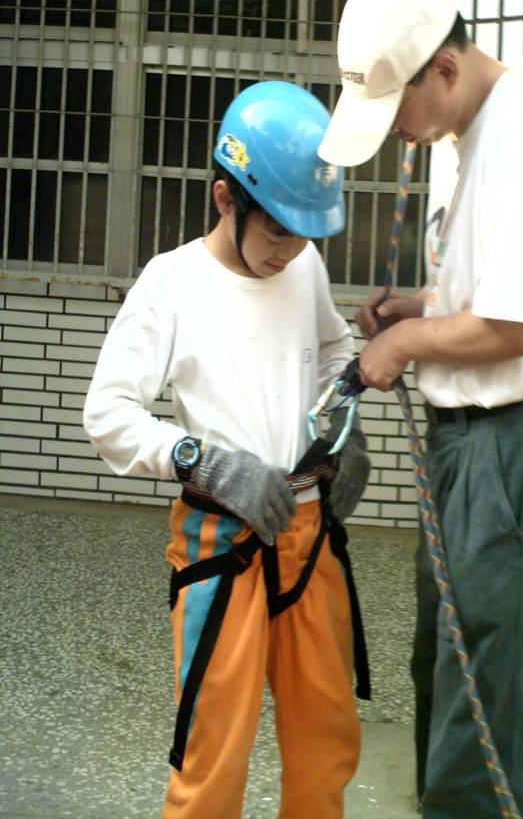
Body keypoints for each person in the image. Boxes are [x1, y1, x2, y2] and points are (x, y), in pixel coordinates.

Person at [318, 0, 523, 819]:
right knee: (446, 666)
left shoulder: (520, 132)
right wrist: (419, 308)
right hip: (470, 446)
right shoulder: (471, 134)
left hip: (508, 447)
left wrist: (403, 342)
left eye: (397, 109)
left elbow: (516, 327)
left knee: (485, 703)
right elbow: (487, 295)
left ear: (443, 67)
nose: (398, 130)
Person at [83, 80, 371, 819]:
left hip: (308, 535)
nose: (291, 250)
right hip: (222, 541)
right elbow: (107, 413)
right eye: (276, 231)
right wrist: (201, 462)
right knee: (214, 752)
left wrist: (345, 424)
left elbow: (336, 347)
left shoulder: (303, 266)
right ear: (224, 198)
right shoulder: (172, 284)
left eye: (304, 233)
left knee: (326, 742)